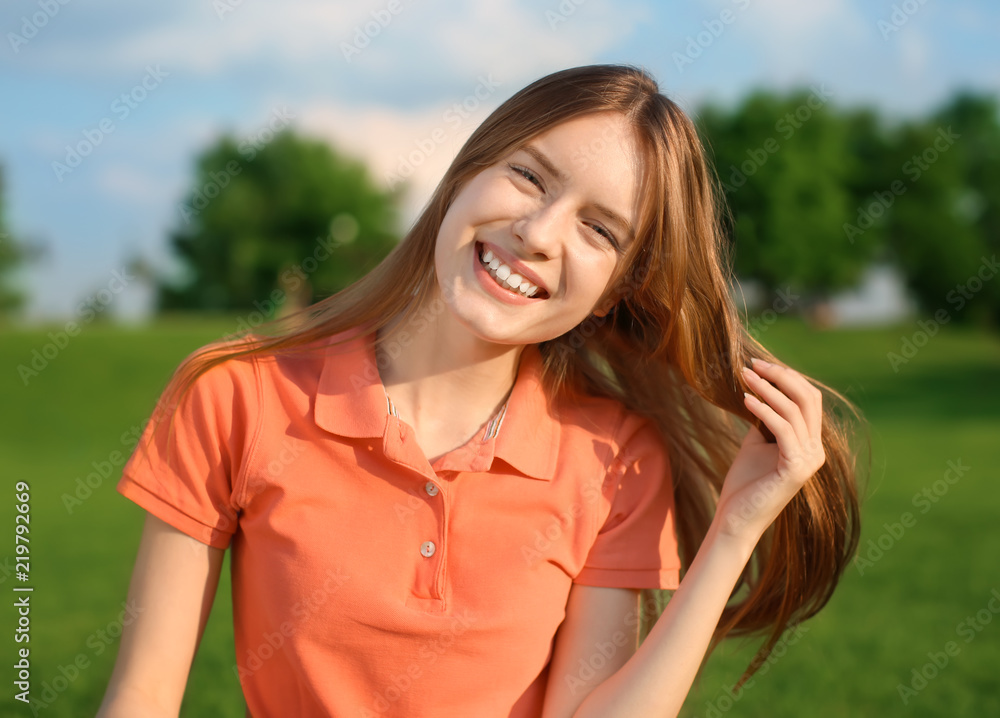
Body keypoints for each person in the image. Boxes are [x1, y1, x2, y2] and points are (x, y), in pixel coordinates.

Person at [97, 64, 865, 718]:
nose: (538, 232)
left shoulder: (618, 460)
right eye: (529, 176)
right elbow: (142, 697)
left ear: (614, 291)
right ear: (466, 171)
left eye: (600, 231)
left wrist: (736, 528)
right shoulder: (233, 393)